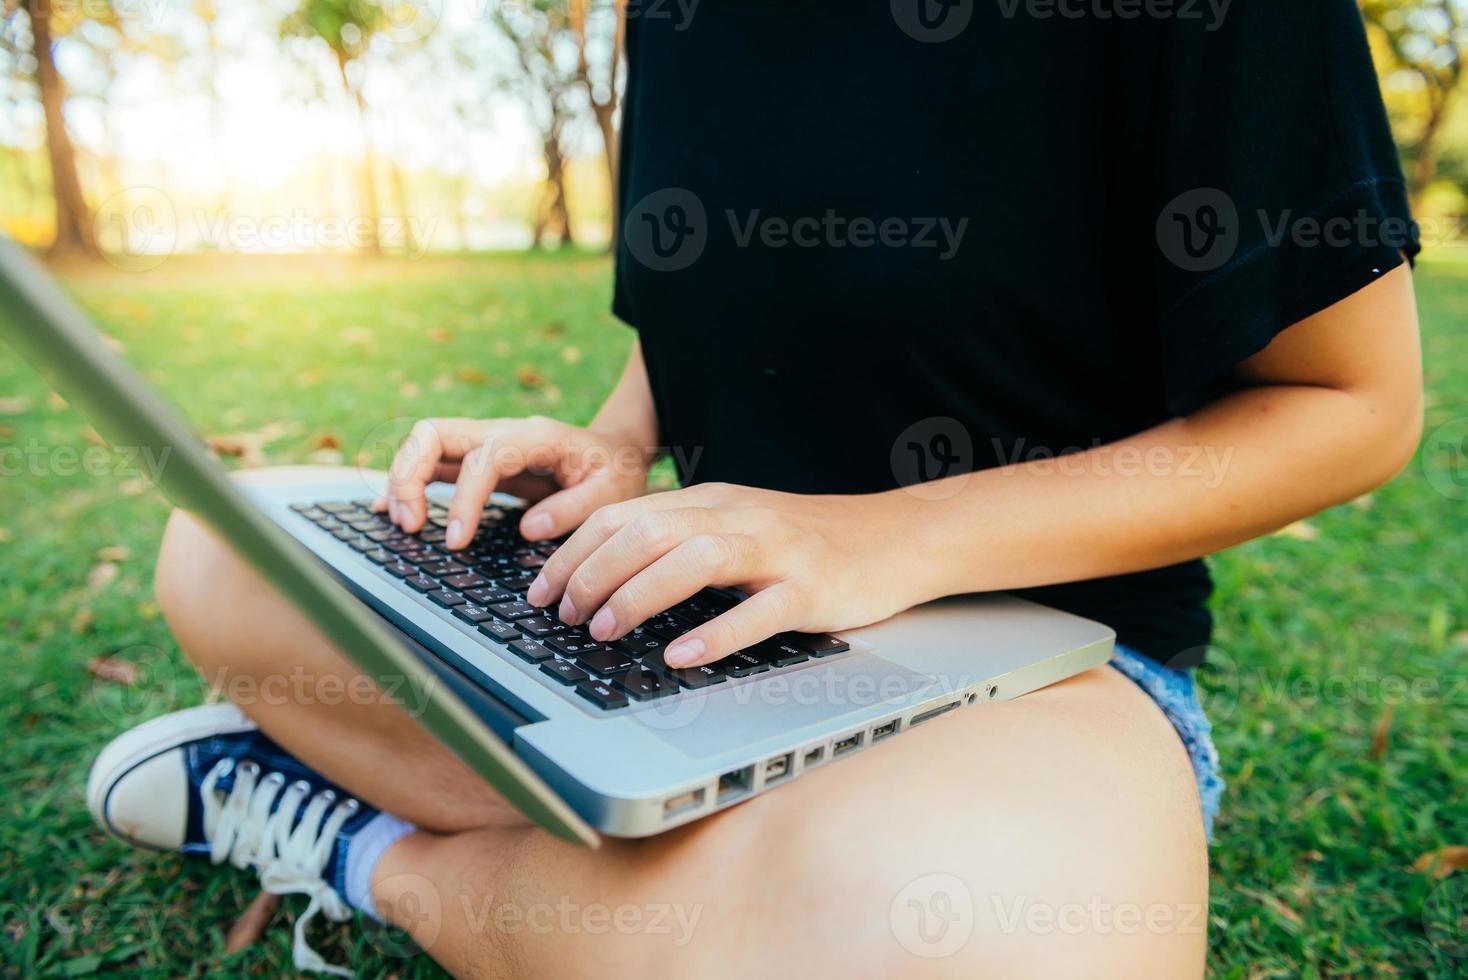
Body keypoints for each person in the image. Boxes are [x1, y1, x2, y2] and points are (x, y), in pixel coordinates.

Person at [87, 3, 1424, 977]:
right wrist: (615, 443)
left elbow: (1352, 407)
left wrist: (882, 538)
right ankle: (709, 852)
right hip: (686, 613)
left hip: (1043, 666)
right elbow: (704, 310)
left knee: (979, 944)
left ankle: (373, 853)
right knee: (222, 554)